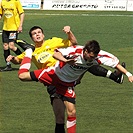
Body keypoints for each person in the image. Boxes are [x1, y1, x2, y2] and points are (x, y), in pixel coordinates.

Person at [7, 26, 128, 133]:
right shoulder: (32, 51)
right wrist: (12, 58)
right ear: (32, 38)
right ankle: (114, 76)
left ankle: (114, 76)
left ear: (43, 35)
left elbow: (73, 43)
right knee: (60, 117)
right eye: (34, 34)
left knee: (87, 62)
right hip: (52, 79)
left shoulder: (53, 41)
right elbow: (18, 61)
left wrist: (69, 32)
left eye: (39, 32)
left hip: (67, 72)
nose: (37, 35)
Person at [0, 0, 25, 71]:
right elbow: (1, 13)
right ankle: (8, 65)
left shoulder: (16, 1)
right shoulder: (3, 2)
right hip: (5, 28)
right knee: (5, 46)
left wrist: (20, 26)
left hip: (14, 28)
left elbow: (22, 13)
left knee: (11, 46)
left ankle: (23, 59)